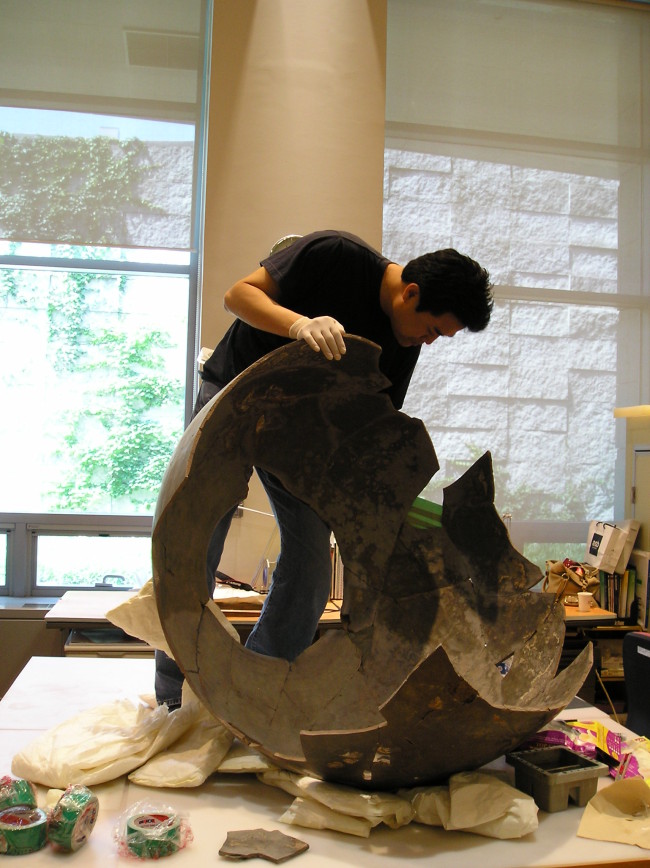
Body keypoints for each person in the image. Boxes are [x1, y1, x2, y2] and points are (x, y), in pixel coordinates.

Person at [155, 229, 493, 709]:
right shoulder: (335, 255)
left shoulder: (404, 343)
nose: (429, 341)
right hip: (233, 393)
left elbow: (368, 429)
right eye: (434, 329)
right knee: (197, 540)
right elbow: (239, 295)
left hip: (299, 434)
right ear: (411, 293)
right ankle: (175, 700)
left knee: (312, 564)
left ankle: (259, 691)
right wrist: (297, 324)